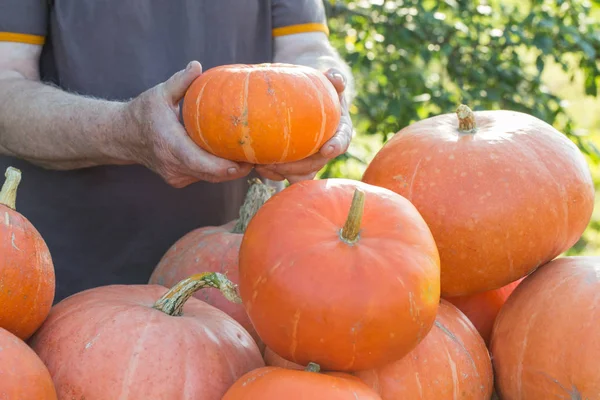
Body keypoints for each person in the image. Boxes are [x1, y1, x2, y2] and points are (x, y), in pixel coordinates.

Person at [0, 0, 355, 302]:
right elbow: (6, 84)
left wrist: (326, 98)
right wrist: (122, 130)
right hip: (59, 273)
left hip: (240, 272)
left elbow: (308, 48)